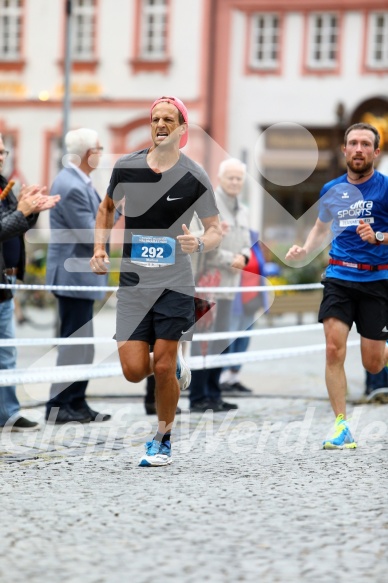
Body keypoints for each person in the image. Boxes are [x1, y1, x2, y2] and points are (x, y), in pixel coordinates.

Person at [90, 96, 222, 467]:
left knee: (162, 366)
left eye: (169, 119)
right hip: (133, 282)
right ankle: (175, 367)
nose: (160, 124)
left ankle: (162, 439)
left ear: (182, 128)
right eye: (155, 118)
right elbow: (107, 209)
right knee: (133, 371)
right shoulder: (127, 166)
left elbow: (215, 230)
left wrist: (198, 242)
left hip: (175, 281)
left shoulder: (194, 174)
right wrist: (100, 248)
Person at [285, 122, 388, 449]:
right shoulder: (331, 189)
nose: (358, 149)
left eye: (365, 144)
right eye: (353, 143)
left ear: (376, 151)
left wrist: (379, 237)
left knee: (373, 363)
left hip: (377, 280)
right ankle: (341, 425)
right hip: (339, 277)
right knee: (333, 349)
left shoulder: (386, 189)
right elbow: (320, 228)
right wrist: (305, 248)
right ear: (344, 150)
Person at [45, 128, 112, 424]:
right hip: (73, 277)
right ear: (88, 153)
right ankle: (60, 406)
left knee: (83, 345)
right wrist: (116, 207)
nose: (101, 152)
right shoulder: (71, 185)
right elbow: (90, 233)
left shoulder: (79, 181)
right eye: (99, 147)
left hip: (79, 277)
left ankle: (76, 401)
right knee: (74, 344)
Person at [0, 133, 60, 431]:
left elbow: (15, 223)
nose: (2, 156)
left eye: (3, 151)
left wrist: (31, 211)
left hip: (6, 283)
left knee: (7, 352)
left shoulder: (3, 185)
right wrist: (22, 212)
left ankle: (7, 413)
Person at [189, 158, 251, 412]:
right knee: (202, 341)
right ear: (220, 179)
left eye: (239, 178)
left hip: (229, 285)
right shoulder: (209, 206)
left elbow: (248, 241)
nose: (235, 182)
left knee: (221, 342)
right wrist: (232, 259)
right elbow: (206, 245)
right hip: (208, 283)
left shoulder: (244, 210)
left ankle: (214, 394)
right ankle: (198, 396)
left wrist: (245, 256)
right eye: (230, 178)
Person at [220, 229, 268, 393]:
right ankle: (222, 377)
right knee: (229, 338)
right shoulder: (232, 240)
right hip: (233, 300)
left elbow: (261, 269)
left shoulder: (254, 239)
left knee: (244, 339)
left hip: (251, 301)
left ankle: (234, 377)